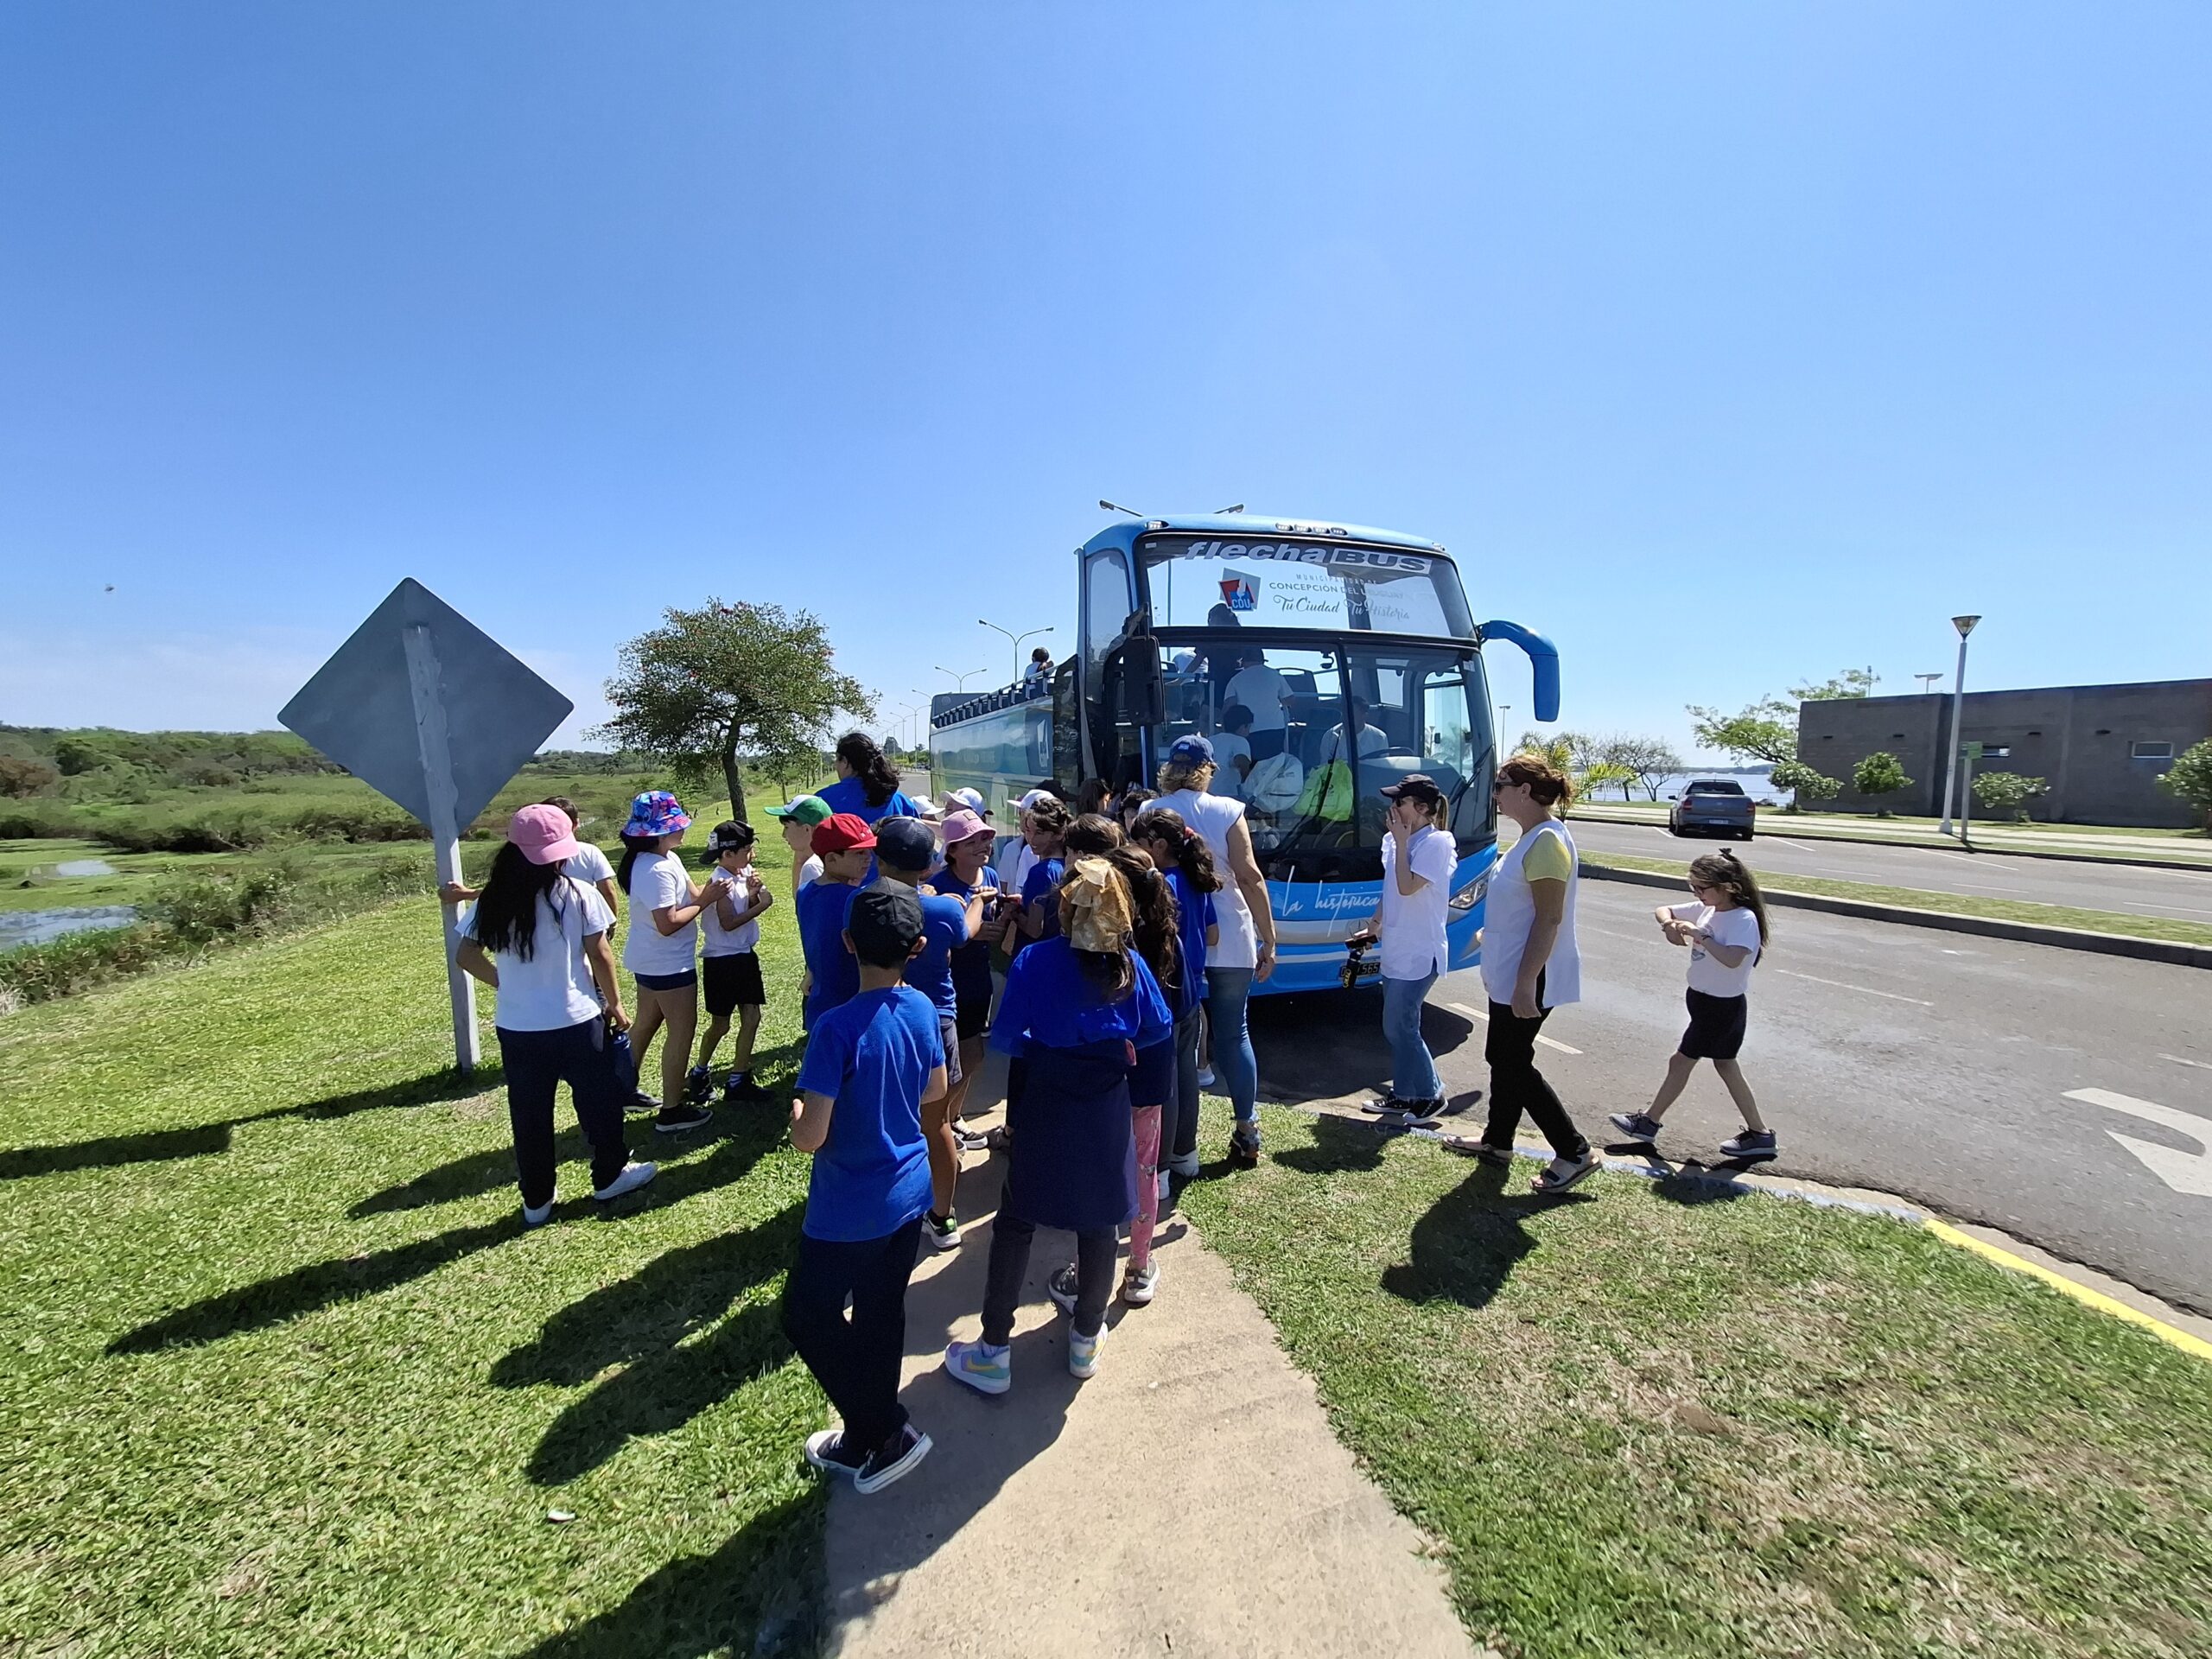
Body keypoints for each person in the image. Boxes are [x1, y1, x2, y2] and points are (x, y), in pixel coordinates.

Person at [944, 858, 1172, 1395]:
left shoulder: (1036, 960)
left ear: (1066, 909)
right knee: (1100, 1222)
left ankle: (993, 1350)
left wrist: (1051, 1044)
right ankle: (1086, 1337)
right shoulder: (1130, 965)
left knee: (1016, 1217)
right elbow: (1157, 1029)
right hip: (1107, 1105)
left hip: (1046, 1100)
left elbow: (1007, 1038)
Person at [785, 884, 944, 1495]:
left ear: (848, 943)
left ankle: (885, 1429)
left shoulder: (835, 1028)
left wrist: (797, 1115)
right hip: (909, 1193)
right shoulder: (924, 1008)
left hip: (849, 1209)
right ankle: (862, 1436)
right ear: (918, 947)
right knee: (881, 1311)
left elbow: (810, 1138)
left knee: (806, 1316)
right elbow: (935, 1092)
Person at [454, 805, 658, 1224]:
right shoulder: (577, 893)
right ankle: (609, 1176)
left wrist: (505, 984)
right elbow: (600, 953)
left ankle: (537, 1201)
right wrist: (615, 1004)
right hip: (577, 1020)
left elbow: (466, 955)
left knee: (529, 1114)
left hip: (517, 1027)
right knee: (600, 1104)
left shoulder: (493, 898)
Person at [1442, 754, 1595, 1193]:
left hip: (1530, 974)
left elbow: (1549, 918)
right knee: (1505, 1057)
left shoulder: (1547, 841)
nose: (1494, 795)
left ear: (1525, 791)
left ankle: (1574, 1151)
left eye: (1500, 786)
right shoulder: (1532, 838)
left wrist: (1527, 981)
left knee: (1510, 1060)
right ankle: (1498, 1140)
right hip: (1510, 970)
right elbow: (1520, 908)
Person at [1151, 734, 1276, 1169]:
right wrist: (1269, 939)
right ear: (1207, 770)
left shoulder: (1151, 811)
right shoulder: (1228, 810)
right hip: (1231, 933)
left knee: (1176, 1039)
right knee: (1234, 1033)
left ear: (1170, 768)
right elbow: (1250, 876)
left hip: (1173, 936)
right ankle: (1246, 1127)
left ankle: (1176, 1142)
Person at [1610, 849, 1776, 1159]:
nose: (1697, 894)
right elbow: (1663, 909)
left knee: (1682, 1061)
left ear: (1729, 887)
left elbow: (1732, 959)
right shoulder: (1707, 909)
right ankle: (1760, 1134)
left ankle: (1648, 1122)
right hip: (1702, 1001)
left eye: (1702, 887)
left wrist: (1701, 936)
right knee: (1724, 1065)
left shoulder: (1743, 919)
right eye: (1693, 887)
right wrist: (1669, 926)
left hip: (1721, 1008)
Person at [874, 817, 989, 1249]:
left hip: (881, 1016)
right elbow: (964, 935)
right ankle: (942, 1216)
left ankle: (890, 1197)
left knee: (887, 1112)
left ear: (878, 860)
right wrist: (975, 903)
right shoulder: (943, 909)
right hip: (936, 1020)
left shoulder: (862, 904)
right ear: (929, 865)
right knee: (936, 1120)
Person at [1348, 776, 1456, 1118]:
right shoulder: (1395, 842)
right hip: (1397, 948)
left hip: (1421, 953)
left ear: (1421, 808)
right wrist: (1373, 927)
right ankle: (1405, 1093)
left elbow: (1408, 886)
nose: (1392, 809)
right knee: (1399, 1026)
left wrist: (1401, 841)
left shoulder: (1437, 844)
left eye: (1399, 802)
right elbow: (1391, 890)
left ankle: (1431, 1093)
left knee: (1399, 1027)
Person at [1129, 807, 1219, 1217]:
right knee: (1185, 1077)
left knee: (1163, 1083)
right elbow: (1212, 933)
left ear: (1159, 845)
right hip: (1192, 988)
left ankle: (1161, 1170)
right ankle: (1186, 1153)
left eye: (1139, 843)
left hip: (1165, 989)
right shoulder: (1195, 880)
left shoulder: (1160, 883)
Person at [617, 791, 715, 1135]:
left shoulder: (667, 858)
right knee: (681, 1031)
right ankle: (671, 1110)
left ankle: (621, 1091)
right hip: (668, 965)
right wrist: (706, 902)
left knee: (646, 1023)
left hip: (652, 961)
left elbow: (694, 893)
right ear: (658, 833)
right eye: (676, 825)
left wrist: (719, 887)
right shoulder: (655, 869)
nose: (683, 829)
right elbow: (668, 923)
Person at [925, 810, 1008, 1157]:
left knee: (971, 1057)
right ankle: (939, 1123)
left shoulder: (990, 875)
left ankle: (953, 1117)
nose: (983, 846)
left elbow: (994, 920)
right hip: (951, 984)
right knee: (961, 1057)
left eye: (986, 838)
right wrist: (973, 933)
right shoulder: (940, 887)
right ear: (952, 850)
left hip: (979, 979)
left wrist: (1006, 918)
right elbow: (942, 939)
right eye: (971, 841)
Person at [690, 821, 773, 1109]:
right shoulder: (720, 883)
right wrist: (760, 905)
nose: (752, 855)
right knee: (721, 1024)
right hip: (722, 961)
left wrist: (752, 894)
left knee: (752, 1017)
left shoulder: (743, 873)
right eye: (747, 850)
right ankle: (699, 1072)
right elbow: (727, 923)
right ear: (727, 854)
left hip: (744, 955)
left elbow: (745, 907)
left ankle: (738, 1079)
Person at [439, 795, 620, 912]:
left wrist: (466, 894)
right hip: (584, 924)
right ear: (576, 824)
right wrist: (610, 923)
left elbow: (507, 892)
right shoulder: (590, 853)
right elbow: (608, 891)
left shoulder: (522, 857)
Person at [796, 813, 877, 1033]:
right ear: (831, 859)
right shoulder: (856, 899)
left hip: (821, 1002)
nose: (869, 858)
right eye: (859, 853)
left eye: (870, 851)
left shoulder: (805, 891)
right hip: (853, 1006)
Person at [818, 732, 923, 825]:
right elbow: (917, 834)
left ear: (845, 762)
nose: (835, 765)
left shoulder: (822, 800)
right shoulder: (898, 799)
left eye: (837, 759)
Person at [1012, 796, 1072, 948]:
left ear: (1058, 834)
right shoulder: (1069, 867)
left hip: (1035, 951)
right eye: (1028, 831)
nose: (1031, 839)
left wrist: (1014, 912)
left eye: (1039, 833)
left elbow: (1034, 930)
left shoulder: (1040, 872)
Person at [1223, 647, 1294, 760]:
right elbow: (1290, 700)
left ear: (1243, 661)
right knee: (1275, 764)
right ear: (1262, 660)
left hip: (1248, 730)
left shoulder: (1236, 679)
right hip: (1275, 728)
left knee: (1251, 765)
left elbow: (1229, 706)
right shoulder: (1275, 675)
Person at [766, 793, 833, 899]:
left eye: (786, 827)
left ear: (807, 829)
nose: (783, 835)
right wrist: (799, 861)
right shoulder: (835, 856)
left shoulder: (813, 867)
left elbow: (806, 908)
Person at [1322, 696, 1390, 760]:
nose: (1347, 717)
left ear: (1364, 715)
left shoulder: (1379, 738)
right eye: (1344, 713)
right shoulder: (1330, 736)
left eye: (1352, 714)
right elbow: (1325, 765)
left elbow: (1382, 766)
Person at [1211, 706, 1255, 796]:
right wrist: (1245, 784)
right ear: (1243, 726)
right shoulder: (1241, 741)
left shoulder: (1211, 740)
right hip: (1229, 794)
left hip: (1207, 793)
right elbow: (1241, 761)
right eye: (1249, 727)